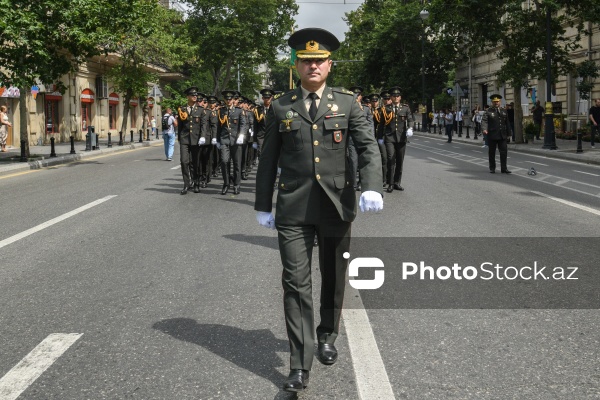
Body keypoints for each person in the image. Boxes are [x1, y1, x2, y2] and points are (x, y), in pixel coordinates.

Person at [254, 27, 383, 393]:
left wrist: (372, 185)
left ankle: (327, 333)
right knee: (295, 282)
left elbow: (368, 147)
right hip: (293, 208)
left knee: (334, 275)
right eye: (306, 60)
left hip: (335, 205)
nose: (312, 65)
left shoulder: (347, 103)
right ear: (296, 65)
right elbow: (267, 161)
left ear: (330, 64)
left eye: (319, 60)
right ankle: (300, 362)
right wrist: (263, 205)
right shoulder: (280, 106)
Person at [377, 87, 414, 193]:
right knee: (390, 159)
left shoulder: (405, 108)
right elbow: (381, 125)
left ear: (400, 97)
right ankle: (391, 183)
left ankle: (397, 182)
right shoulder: (386, 109)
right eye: (393, 96)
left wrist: (410, 128)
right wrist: (380, 137)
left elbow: (410, 120)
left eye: (397, 96)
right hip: (389, 138)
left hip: (401, 138)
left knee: (400, 161)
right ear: (391, 98)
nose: (395, 98)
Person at [217, 89, 247, 195]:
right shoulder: (221, 111)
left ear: (233, 100)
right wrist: (217, 140)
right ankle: (226, 183)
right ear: (225, 100)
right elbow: (218, 127)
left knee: (237, 164)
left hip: (236, 140)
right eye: (227, 99)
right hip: (224, 139)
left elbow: (243, 124)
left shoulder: (239, 111)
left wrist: (241, 135)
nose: (228, 101)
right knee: (224, 161)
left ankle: (236, 185)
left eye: (230, 99)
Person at [176, 87, 206, 195]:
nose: (195, 97)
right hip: (185, 138)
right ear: (187, 96)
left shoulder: (200, 110)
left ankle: (196, 183)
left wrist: (202, 136)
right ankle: (186, 184)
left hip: (196, 139)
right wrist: (179, 137)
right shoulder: (182, 109)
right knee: (184, 162)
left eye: (196, 95)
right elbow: (180, 125)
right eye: (192, 95)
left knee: (195, 162)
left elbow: (203, 125)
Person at [482, 94, 512, 174]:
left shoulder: (503, 111)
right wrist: (484, 129)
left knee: (504, 152)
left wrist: (509, 133)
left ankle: (504, 168)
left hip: (502, 135)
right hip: (492, 135)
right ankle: (492, 168)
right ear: (492, 102)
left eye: (497, 101)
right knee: (492, 152)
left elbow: (507, 123)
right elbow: (484, 121)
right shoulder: (488, 111)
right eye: (494, 102)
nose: (496, 103)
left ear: (500, 102)